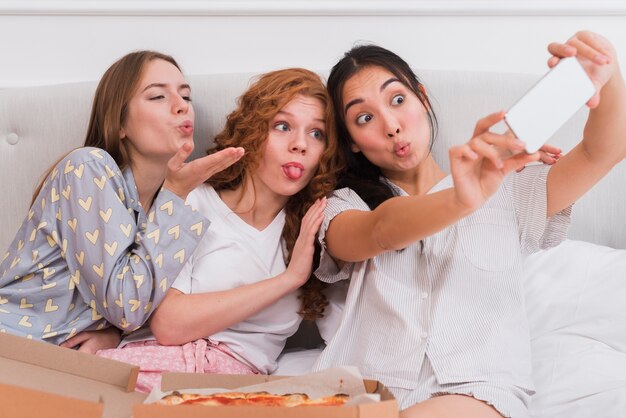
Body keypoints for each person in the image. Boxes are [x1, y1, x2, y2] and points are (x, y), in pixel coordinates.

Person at [312, 31, 625, 418]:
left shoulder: (510, 189)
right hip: (360, 396)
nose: (391, 125)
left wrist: (607, 75)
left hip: (474, 393)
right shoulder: (343, 206)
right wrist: (461, 199)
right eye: (364, 118)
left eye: (397, 99)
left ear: (422, 98)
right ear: (353, 141)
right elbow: (381, 231)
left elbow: (603, 152)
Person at [97, 68, 340, 392]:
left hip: (233, 389)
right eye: (283, 126)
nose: (300, 145)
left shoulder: (317, 227)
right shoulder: (195, 202)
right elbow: (169, 324)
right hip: (152, 368)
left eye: (317, 134)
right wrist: (286, 280)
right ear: (254, 131)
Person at [0, 51, 244, 353]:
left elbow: (150, 307)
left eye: (185, 96)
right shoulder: (87, 168)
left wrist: (113, 336)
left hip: (58, 365)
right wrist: (176, 195)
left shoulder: (177, 207)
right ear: (119, 124)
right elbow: (126, 305)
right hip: (12, 344)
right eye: (157, 96)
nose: (182, 106)